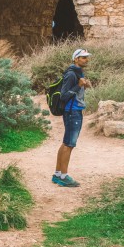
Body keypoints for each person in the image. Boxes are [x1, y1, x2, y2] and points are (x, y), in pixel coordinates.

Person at [52, 48, 91, 187]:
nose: (86, 59)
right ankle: (64, 176)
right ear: (76, 59)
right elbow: (64, 96)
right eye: (83, 57)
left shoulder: (78, 72)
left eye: (87, 57)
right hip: (72, 112)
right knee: (69, 144)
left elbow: (75, 91)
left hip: (75, 110)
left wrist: (83, 86)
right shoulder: (71, 74)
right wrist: (78, 85)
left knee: (66, 143)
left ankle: (57, 174)